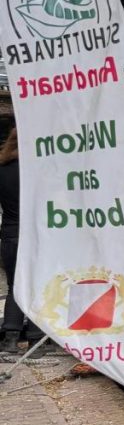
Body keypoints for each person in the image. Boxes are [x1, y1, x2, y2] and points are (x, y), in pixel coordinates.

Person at [0, 129, 45, 355]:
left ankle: (10, 339)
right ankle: (36, 340)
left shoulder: (2, 169)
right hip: (35, 235)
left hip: (9, 234)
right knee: (36, 284)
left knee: (14, 286)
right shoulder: (37, 170)